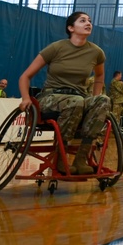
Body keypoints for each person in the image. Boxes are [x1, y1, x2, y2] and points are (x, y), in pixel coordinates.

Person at [18, 11, 110, 175]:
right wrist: (25, 98)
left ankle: (81, 159)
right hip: (51, 97)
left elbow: (100, 75)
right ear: (71, 28)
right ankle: (60, 158)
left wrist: (95, 96)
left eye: (89, 21)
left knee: (103, 100)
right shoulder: (56, 48)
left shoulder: (96, 52)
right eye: (82, 21)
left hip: (79, 98)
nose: (88, 23)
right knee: (75, 101)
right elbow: (25, 76)